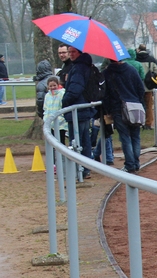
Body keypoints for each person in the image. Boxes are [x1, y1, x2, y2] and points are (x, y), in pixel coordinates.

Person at [103, 58, 145, 173]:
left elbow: (105, 94)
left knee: (125, 137)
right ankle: (135, 162)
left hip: (118, 108)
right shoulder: (132, 70)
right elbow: (141, 89)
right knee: (135, 136)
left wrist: (108, 109)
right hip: (135, 106)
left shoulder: (107, 73)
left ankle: (130, 164)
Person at [61, 46, 96, 179]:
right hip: (84, 109)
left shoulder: (78, 68)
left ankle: (79, 170)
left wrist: (64, 101)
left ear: (80, 53)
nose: (70, 54)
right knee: (85, 141)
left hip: (77, 110)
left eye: (73, 52)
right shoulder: (85, 66)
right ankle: (85, 169)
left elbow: (75, 89)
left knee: (77, 141)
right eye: (69, 52)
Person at [136, 44, 157, 130]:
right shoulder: (151, 59)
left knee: (138, 106)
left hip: (138, 87)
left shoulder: (136, 59)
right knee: (149, 106)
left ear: (139, 49)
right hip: (148, 87)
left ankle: (139, 122)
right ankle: (148, 123)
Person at [43, 76, 68, 144]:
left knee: (61, 141)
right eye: (50, 86)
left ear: (58, 85)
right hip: (50, 123)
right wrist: (46, 118)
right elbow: (45, 108)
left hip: (61, 124)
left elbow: (63, 107)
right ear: (48, 86)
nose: (53, 87)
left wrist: (61, 119)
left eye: (54, 85)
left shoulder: (62, 94)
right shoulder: (47, 96)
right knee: (52, 142)